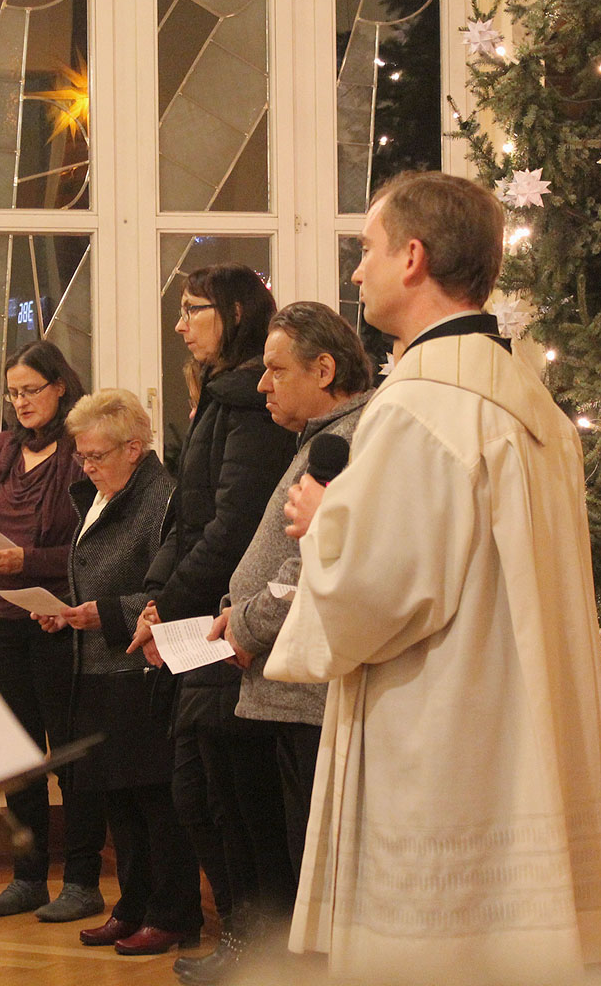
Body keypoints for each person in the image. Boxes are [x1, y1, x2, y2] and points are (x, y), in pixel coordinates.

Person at [265, 172, 601, 984]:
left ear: (413, 258)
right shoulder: (530, 402)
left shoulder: (420, 407)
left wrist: (323, 524)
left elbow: (379, 593)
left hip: (439, 733)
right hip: (517, 726)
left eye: (367, 249)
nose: (356, 270)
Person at [175, 302, 373, 986]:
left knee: (302, 860)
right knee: (271, 845)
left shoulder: (347, 443)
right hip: (276, 681)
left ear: (324, 370)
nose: (262, 385)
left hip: (303, 690)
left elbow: (311, 565)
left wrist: (247, 624)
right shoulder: (322, 440)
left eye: (276, 370)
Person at [127, 264, 297, 971]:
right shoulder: (221, 399)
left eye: (193, 308)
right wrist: (156, 599)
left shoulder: (249, 405)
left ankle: (256, 948)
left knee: (231, 795)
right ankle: (240, 937)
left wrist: (171, 604)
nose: (180, 324)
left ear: (234, 313)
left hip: (232, 623)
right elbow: (185, 518)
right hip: (200, 617)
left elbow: (234, 526)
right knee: (200, 791)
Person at [36, 389, 204, 956]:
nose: (86, 467)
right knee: (120, 802)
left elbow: (173, 591)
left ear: (134, 448)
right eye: (81, 456)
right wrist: (68, 614)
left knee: (155, 802)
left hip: (142, 670)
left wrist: (102, 614)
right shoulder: (101, 496)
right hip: (99, 669)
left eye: (96, 456)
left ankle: (173, 913)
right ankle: (132, 906)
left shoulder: (162, 499)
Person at [0, 340, 106, 923]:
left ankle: (83, 880)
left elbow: (93, 544)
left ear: (60, 386)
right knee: (16, 750)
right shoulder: (2, 448)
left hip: (58, 616)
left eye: (31, 390)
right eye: (12, 392)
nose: (20, 402)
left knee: (67, 750)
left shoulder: (79, 450)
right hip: (2, 614)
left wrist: (27, 561)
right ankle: (27, 877)